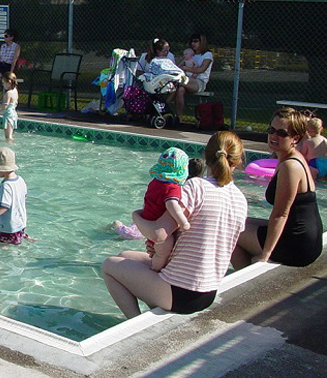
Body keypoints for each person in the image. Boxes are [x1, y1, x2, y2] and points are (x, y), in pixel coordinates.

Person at [102, 131, 248, 318]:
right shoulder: (240, 199)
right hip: (208, 292)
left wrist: (136, 216)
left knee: (109, 266)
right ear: (237, 161)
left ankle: (135, 323)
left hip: (181, 292)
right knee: (124, 255)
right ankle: (153, 309)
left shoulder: (197, 187)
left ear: (207, 155)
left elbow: (158, 234)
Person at [231, 108, 322, 268]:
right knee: (236, 223)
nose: (274, 136)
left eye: (282, 133)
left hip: (299, 244)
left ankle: (249, 280)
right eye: (271, 130)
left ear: (296, 138)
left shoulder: (290, 166)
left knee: (228, 233)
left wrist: (265, 254)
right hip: (300, 235)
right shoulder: (288, 157)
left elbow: (281, 214)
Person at [111, 157, 204, 241]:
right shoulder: (175, 188)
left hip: (155, 221)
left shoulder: (178, 188)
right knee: (132, 235)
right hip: (151, 221)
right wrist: (184, 223)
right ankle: (116, 224)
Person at [132, 147, 191, 271]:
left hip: (147, 220)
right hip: (159, 227)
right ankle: (155, 269)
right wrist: (183, 222)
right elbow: (172, 205)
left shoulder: (154, 183)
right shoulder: (172, 187)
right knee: (162, 253)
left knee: (156, 251)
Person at [169, 33, 214, 121]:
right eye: (192, 42)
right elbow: (179, 66)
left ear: (202, 42)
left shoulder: (207, 54)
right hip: (186, 81)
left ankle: (164, 104)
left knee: (178, 82)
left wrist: (187, 68)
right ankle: (179, 117)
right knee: (180, 89)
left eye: (196, 41)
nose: (193, 44)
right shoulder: (190, 54)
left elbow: (201, 69)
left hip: (199, 82)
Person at [1, 72, 19, 142]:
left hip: (8, 117)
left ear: (9, 82)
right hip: (13, 115)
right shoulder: (15, 90)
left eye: (3, 83)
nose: (3, 85)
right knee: (10, 136)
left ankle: (9, 150)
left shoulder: (8, 93)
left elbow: (4, 107)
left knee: (8, 137)